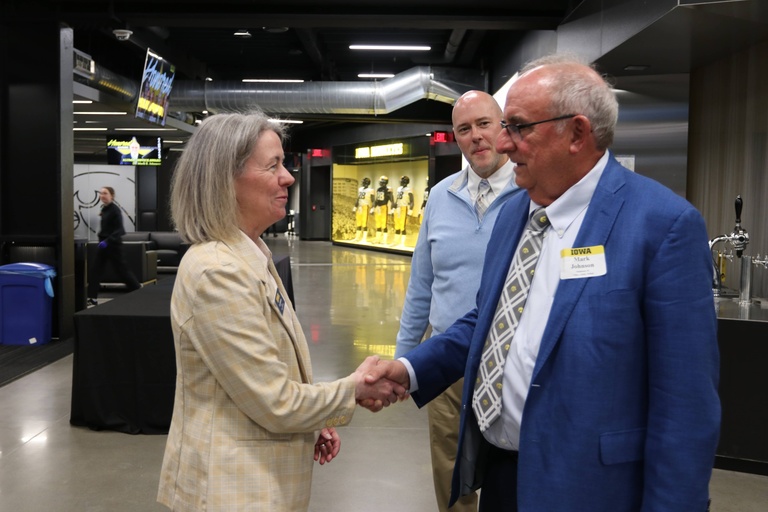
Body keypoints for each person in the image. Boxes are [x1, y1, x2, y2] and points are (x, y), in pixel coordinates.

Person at [366, 54, 720, 511]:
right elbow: (489, 320)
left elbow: (685, 405)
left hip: (590, 488)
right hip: (501, 477)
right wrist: (411, 368)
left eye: (517, 126)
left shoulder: (662, 226)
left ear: (576, 133)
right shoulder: (517, 211)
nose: (504, 143)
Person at [156, 111, 404, 512]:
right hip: (231, 488)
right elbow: (274, 400)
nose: (288, 177)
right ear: (225, 180)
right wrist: (353, 389)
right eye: (273, 166)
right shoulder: (219, 271)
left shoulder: (251, 255)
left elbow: (264, 374)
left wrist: (314, 418)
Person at [394, 89, 519, 512]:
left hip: (512, 362)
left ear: (503, 127)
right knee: (451, 476)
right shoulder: (441, 196)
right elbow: (421, 284)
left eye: (484, 124)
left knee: (510, 470)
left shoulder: (531, 192)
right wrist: (405, 359)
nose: (475, 137)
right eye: (464, 129)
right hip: (449, 362)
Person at [86, 186, 141, 305]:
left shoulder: (115, 210)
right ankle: (92, 297)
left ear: (112, 196)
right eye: (101, 193)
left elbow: (120, 230)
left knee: (122, 271)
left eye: (105, 193)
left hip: (113, 246)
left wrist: (107, 241)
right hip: (103, 245)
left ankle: (138, 291)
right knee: (96, 270)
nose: (102, 195)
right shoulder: (104, 209)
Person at [391, 175, 414, 246]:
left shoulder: (409, 189)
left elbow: (412, 201)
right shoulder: (399, 188)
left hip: (404, 208)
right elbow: (397, 199)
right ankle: (395, 241)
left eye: (401, 180)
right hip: (398, 208)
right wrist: (393, 208)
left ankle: (402, 243)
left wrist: (410, 210)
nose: (400, 182)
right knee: (397, 225)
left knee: (403, 226)